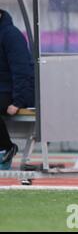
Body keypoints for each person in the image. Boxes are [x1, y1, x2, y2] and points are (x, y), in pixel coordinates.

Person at [0, 9, 35, 170]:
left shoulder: (11, 35)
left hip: (11, 92)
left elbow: (22, 70)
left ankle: (6, 147)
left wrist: (18, 101)